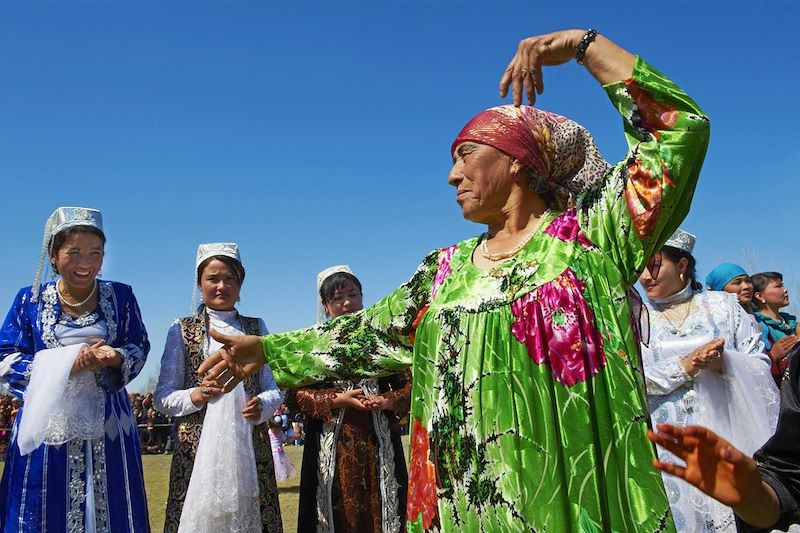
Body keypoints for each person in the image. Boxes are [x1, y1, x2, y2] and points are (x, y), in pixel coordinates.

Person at [199, 28, 711, 531]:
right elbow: (368, 333)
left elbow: (678, 128)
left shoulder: (593, 238)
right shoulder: (445, 270)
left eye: (466, 155)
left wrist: (583, 45)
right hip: (462, 504)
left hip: (573, 498)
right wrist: (266, 349)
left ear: (517, 161)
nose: (451, 175)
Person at [0, 207, 150, 532]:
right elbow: (5, 359)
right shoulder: (29, 300)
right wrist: (67, 364)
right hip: (47, 425)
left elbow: (139, 345)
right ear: (54, 257)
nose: (86, 263)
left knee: (111, 504)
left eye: (95, 253)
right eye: (74, 252)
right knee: (43, 508)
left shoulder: (121, 297)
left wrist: (115, 356)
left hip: (109, 423)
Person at [638, 230, 779, 532]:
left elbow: (759, 362)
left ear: (682, 265)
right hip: (667, 442)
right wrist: (685, 366)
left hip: (726, 433)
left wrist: (723, 363)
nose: (645, 275)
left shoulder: (722, 306)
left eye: (654, 264)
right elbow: (630, 377)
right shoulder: (635, 318)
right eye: (639, 266)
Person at [154, 243, 283, 533]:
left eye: (230, 279)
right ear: (199, 283)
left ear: (240, 285)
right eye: (213, 278)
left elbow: (274, 387)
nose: (221, 286)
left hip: (249, 444)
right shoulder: (182, 329)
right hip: (197, 448)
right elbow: (162, 397)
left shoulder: (256, 328)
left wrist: (262, 404)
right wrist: (195, 395)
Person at [287, 266, 411, 533]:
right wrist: (336, 400)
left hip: (379, 443)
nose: (346, 304)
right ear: (325, 305)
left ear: (362, 297)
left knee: (384, 507)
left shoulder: (382, 340)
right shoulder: (314, 345)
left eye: (352, 295)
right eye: (336, 299)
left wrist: (388, 401)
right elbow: (295, 396)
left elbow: (411, 385)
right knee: (335, 511)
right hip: (330, 444)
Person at [647, 341, 800, 532]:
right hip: (666, 449)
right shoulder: (627, 320)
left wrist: (725, 362)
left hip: (735, 434)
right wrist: (750, 496)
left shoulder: (730, 312)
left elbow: (761, 364)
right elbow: (787, 486)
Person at [752, 272, 800, 382]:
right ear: (759, 296)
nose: (785, 290)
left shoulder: (792, 323)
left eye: (782, 285)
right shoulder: (757, 326)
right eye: (778, 286)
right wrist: (773, 356)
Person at [268, 415, 295, 481]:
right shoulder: (268, 432)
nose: (277, 430)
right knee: (274, 466)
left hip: (280, 454)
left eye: (279, 428)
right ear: (271, 427)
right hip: (272, 453)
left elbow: (285, 440)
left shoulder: (280, 433)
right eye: (275, 428)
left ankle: (282, 476)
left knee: (282, 466)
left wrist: (293, 438)